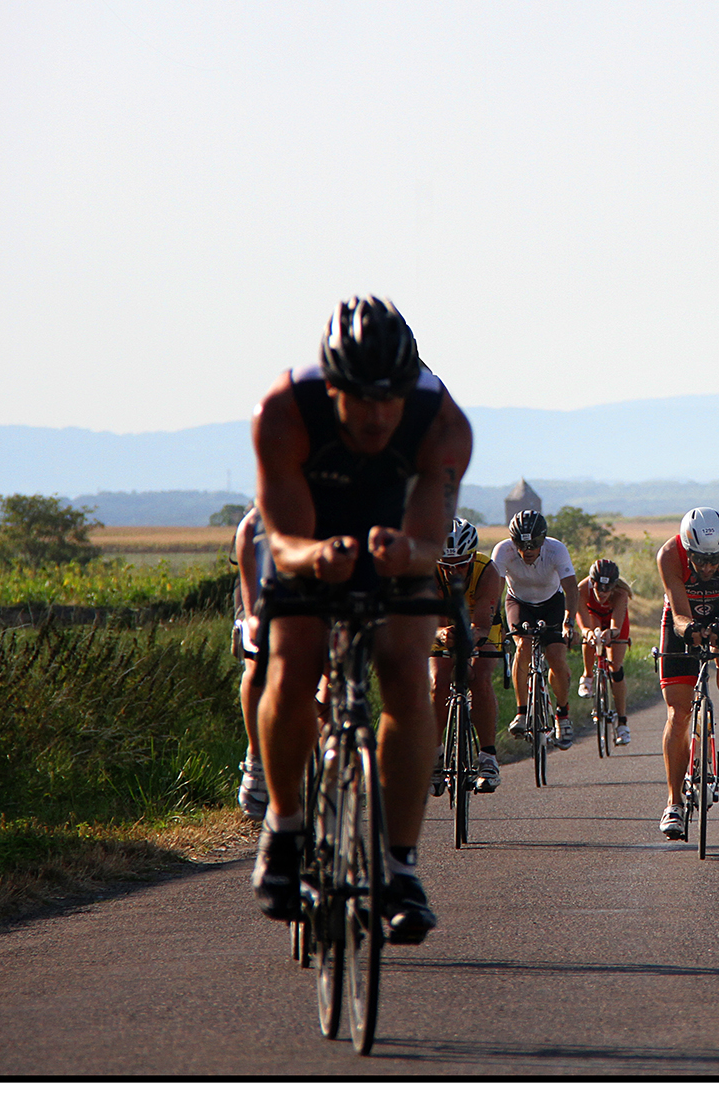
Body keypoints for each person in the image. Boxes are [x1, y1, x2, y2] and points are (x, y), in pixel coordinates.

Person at [249, 295, 472, 946]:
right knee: (293, 666)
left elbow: (429, 542)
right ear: (332, 385)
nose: (377, 415)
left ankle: (400, 868)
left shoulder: (442, 424)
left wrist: (408, 554)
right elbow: (282, 541)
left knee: (405, 671)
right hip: (310, 537)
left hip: (392, 535)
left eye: (391, 398)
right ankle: (285, 828)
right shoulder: (284, 411)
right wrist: (318, 557)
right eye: (361, 399)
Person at [655, 507, 719, 839]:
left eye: (714, 560)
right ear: (686, 548)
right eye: (700, 560)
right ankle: (674, 803)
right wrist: (689, 631)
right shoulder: (669, 555)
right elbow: (679, 614)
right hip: (683, 614)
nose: (708, 567)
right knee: (678, 714)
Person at [496, 510, 582, 749]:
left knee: (556, 656)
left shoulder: (556, 549)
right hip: (519, 603)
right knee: (523, 646)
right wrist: (496, 623)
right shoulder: (502, 551)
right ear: (513, 542)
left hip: (552, 603)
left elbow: (571, 589)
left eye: (534, 544)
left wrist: (569, 622)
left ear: (543, 539)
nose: (528, 550)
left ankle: (562, 714)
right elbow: (495, 590)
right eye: (521, 545)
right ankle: (522, 712)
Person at [432, 516, 505, 795]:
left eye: (461, 564)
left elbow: (484, 623)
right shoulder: (429, 572)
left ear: (472, 557)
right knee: (437, 682)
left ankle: (488, 758)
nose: (455, 571)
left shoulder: (488, 570)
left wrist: (471, 637)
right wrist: (441, 634)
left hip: (480, 625)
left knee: (480, 678)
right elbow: (429, 622)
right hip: (442, 625)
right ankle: (435, 755)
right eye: (447, 565)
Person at [230, 505, 269, 821]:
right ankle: (255, 757)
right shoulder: (256, 522)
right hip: (260, 582)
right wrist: (253, 618)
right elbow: (248, 530)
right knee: (257, 661)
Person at [575, 557, 634, 747]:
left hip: (614, 620)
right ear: (592, 582)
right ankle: (588, 676)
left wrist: (612, 633)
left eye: (607, 589)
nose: (602, 593)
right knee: (591, 637)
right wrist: (589, 633)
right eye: (598, 588)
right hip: (593, 615)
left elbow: (617, 625)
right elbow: (583, 623)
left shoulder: (621, 593)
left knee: (616, 667)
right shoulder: (582, 589)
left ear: (614, 586)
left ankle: (622, 723)